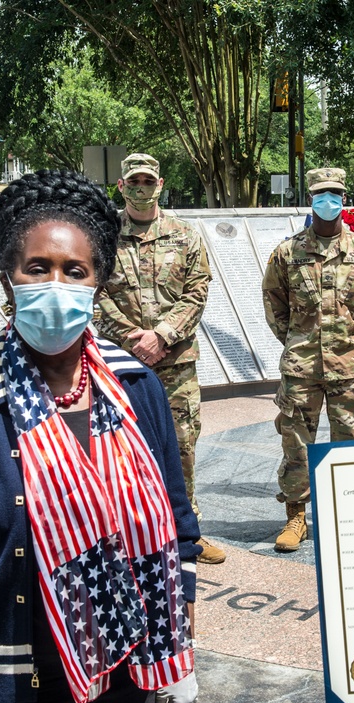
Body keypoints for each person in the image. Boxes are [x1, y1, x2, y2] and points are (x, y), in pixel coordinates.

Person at [0, 170, 200, 703]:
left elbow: (175, 527)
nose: (57, 284)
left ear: (97, 284)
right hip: (5, 689)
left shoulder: (136, 390)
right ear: (9, 278)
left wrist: (177, 648)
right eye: (39, 268)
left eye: (75, 271)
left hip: (123, 676)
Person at [97, 152, 225, 564]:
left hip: (176, 363)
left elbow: (197, 291)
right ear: (121, 186)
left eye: (147, 181)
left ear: (161, 184)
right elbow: (93, 292)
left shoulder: (184, 235)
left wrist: (162, 336)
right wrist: (131, 337)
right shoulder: (102, 234)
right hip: (120, 362)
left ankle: (187, 533)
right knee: (117, 446)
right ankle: (123, 535)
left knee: (182, 448)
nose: (140, 188)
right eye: (133, 181)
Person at [262, 167, 354, 551]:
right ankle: (296, 517)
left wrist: (346, 342)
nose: (327, 200)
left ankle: (351, 516)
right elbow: (275, 304)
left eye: (334, 194)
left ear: (343, 199)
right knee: (296, 443)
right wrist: (299, 341)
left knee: (353, 442)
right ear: (310, 198)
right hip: (302, 368)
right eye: (320, 194)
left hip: (350, 367)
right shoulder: (287, 252)